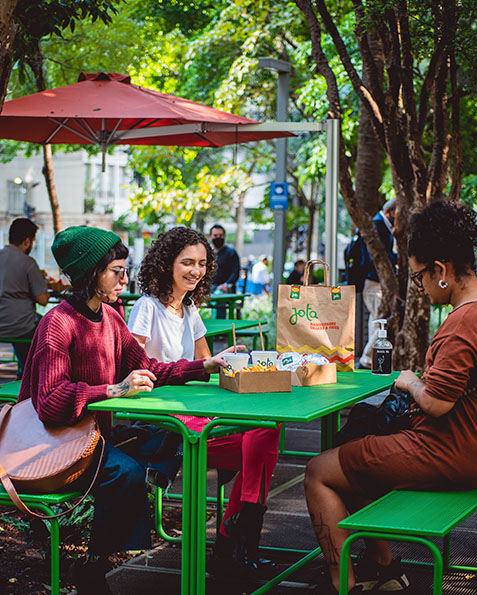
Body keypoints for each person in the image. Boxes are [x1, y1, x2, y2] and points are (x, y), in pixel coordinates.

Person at [17, 226, 229, 595]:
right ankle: (90, 567)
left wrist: (204, 367)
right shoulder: (58, 323)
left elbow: (149, 368)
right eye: (117, 270)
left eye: (124, 269)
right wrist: (113, 390)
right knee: (127, 472)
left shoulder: (112, 319)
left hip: (95, 439)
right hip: (53, 445)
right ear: (90, 273)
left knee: (177, 438)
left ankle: (97, 547)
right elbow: (50, 402)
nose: (125, 279)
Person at [304, 200, 477, 594]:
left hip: (441, 452)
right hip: (474, 450)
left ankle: (345, 586)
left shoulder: (464, 322)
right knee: (355, 452)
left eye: (419, 277)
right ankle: (383, 566)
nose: (421, 287)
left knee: (318, 472)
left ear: (441, 271)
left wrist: (410, 382)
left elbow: (436, 403)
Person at [128, 226, 280, 576]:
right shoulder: (146, 308)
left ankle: (232, 541)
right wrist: (201, 367)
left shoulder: (190, 309)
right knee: (260, 439)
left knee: (264, 433)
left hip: (195, 417)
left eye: (201, 263)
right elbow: (133, 368)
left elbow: (207, 367)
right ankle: (233, 545)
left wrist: (229, 363)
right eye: (186, 263)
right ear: (167, 264)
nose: (195, 270)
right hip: (161, 424)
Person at [0, 218, 49, 377]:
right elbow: (43, 299)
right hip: (20, 325)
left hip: (3, 323)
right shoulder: (28, 263)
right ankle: (32, 374)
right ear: (27, 241)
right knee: (49, 325)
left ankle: (24, 370)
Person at [359, 198, 397, 369]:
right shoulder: (378, 225)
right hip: (374, 281)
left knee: (376, 319)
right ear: (390, 211)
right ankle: (366, 360)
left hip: (375, 281)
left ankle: (369, 359)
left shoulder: (383, 225)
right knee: (379, 321)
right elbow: (380, 256)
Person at [210, 224, 240, 293]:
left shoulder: (231, 253)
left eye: (221, 235)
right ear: (210, 236)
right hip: (209, 288)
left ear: (224, 236)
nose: (218, 237)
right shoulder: (207, 253)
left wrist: (226, 285)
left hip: (226, 288)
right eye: (215, 235)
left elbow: (235, 272)